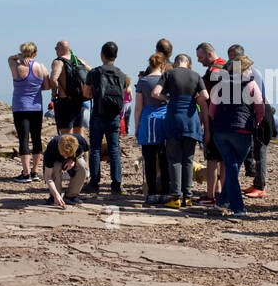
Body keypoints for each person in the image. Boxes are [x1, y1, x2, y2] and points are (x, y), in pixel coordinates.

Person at [205, 56, 265, 217]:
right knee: (233, 168)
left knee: (232, 167)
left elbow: (211, 111)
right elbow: (260, 108)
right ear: (244, 69)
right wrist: (256, 123)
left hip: (221, 131)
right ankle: (238, 207)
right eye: (249, 68)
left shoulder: (219, 85)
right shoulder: (251, 84)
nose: (251, 71)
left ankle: (222, 202)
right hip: (242, 131)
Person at [151, 53, 210, 208]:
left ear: (176, 63)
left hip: (174, 120)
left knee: (174, 159)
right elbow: (205, 95)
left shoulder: (169, 73)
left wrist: (169, 98)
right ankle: (188, 197)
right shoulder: (196, 75)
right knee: (188, 160)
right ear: (188, 63)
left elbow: (155, 93)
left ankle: (176, 197)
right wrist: (193, 100)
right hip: (191, 121)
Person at [83, 42, 127, 195]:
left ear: (102, 54)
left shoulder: (94, 73)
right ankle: (117, 184)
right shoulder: (121, 74)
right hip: (114, 116)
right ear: (116, 56)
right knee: (114, 149)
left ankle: (94, 183)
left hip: (98, 114)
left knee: (95, 148)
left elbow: (86, 94)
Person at [133, 54, 170, 205]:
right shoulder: (166, 80)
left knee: (149, 159)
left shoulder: (143, 82)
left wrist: (136, 127)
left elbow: (138, 108)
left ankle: (152, 193)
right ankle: (165, 193)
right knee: (164, 158)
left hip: (147, 120)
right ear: (162, 65)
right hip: (163, 119)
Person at [9, 42, 48, 182]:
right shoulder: (41, 67)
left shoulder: (17, 66)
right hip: (36, 107)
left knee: (23, 139)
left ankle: (25, 173)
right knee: (36, 138)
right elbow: (47, 85)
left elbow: (9, 58)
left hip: (20, 106)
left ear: (22, 52)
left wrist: (19, 57)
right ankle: (35, 171)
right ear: (35, 54)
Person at [195, 43, 228, 205]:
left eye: (200, 58)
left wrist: (203, 125)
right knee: (225, 160)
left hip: (215, 121)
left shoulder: (211, 74)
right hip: (230, 121)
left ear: (209, 54)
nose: (199, 61)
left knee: (213, 159)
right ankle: (222, 193)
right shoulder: (228, 67)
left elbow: (204, 102)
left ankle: (211, 195)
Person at [49, 41, 91, 136]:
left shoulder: (58, 62)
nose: (55, 50)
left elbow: (53, 79)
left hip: (65, 101)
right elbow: (91, 72)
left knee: (66, 132)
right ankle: (81, 150)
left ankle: (68, 150)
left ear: (59, 49)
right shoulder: (78, 60)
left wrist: (54, 94)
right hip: (79, 99)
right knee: (79, 129)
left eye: (56, 48)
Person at [43, 133, 87, 207]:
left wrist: (72, 159)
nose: (65, 157)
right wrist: (56, 195)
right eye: (63, 154)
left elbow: (82, 152)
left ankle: (71, 196)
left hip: (72, 158)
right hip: (55, 160)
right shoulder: (52, 147)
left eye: (68, 155)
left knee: (82, 165)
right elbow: (48, 177)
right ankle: (55, 196)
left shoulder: (80, 141)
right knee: (56, 167)